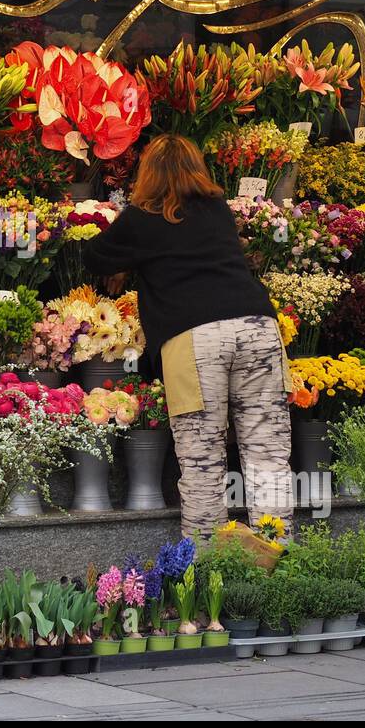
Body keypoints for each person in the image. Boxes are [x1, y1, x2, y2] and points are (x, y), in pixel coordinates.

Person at [82, 134, 294, 539]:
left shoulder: (141, 219)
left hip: (195, 340)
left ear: (148, 175)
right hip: (258, 329)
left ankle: (207, 569)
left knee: (203, 463)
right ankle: (277, 564)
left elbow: (94, 256)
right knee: (267, 456)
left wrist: (128, 258)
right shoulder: (216, 209)